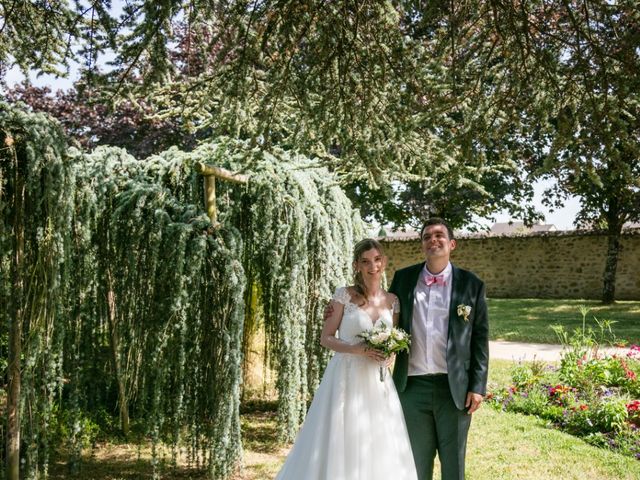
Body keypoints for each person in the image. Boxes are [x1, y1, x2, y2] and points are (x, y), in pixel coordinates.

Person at [275, 238, 418, 480]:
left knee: (377, 438)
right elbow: (326, 338)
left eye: (376, 260)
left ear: (383, 262)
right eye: (365, 262)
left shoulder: (393, 301)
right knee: (342, 436)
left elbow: (392, 340)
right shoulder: (343, 295)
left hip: (377, 381)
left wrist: (389, 354)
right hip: (345, 377)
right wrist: (358, 349)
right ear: (356, 266)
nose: (372, 266)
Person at [389, 217, 489, 480]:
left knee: (453, 463)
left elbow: (480, 338)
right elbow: (384, 313)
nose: (433, 240)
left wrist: (477, 386)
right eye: (427, 237)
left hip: (453, 388)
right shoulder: (403, 279)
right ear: (422, 245)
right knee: (415, 463)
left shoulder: (472, 285)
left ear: (451, 244)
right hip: (411, 386)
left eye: (439, 235)